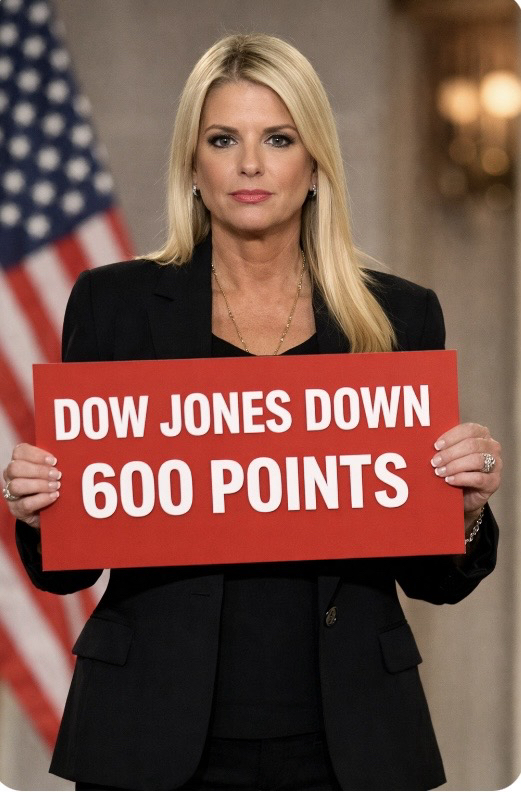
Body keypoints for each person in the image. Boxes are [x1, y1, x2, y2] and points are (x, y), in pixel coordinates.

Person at [3, 33, 501, 791]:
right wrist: (42, 511)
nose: (248, 164)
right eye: (222, 139)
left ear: (315, 163)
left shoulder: (399, 315)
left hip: (349, 740)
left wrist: (461, 510)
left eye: (278, 138)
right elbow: (70, 567)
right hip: (148, 733)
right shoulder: (114, 306)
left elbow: (435, 578)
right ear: (191, 164)